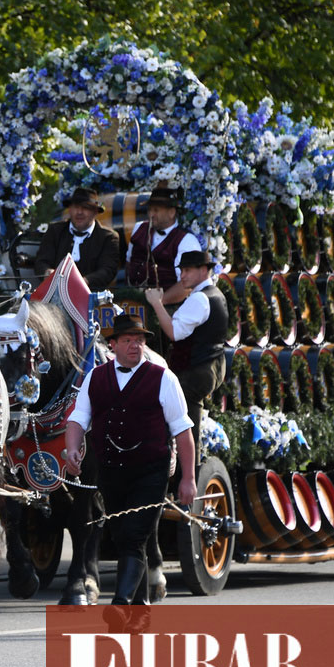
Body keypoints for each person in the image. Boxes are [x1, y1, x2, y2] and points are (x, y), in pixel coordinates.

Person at [62, 314, 196, 618]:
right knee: (123, 536)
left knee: (134, 537)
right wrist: (72, 450)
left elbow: (183, 432)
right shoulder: (95, 377)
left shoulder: (163, 378)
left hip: (151, 470)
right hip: (111, 472)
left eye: (139, 340)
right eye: (127, 340)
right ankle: (141, 609)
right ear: (113, 346)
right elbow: (77, 419)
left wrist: (188, 479)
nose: (135, 346)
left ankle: (120, 606)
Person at [145, 250, 228, 452]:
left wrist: (156, 303)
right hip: (210, 365)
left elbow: (174, 332)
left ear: (203, 270)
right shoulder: (213, 294)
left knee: (184, 427)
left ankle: (186, 475)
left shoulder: (200, 298)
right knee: (187, 424)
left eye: (187, 270)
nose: (182, 276)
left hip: (198, 369)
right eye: (181, 270)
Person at [124, 184, 201, 304]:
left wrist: (158, 304)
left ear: (171, 212)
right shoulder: (139, 228)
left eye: (156, 210)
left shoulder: (186, 241)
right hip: (133, 303)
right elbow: (129, 262)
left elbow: (187, 285)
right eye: (150, 209)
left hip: (168, 307)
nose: (151, 214)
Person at [33, 186, 120, 290]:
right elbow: (41, 261)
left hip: (91, 295)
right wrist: (47, 272)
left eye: (85, 208)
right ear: (69, 210)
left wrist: (83, 282)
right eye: (75, 207)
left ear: (95, 212)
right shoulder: (55, 231)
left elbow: (108, 270)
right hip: (55, 291)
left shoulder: (108, 237)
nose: (79, 212)